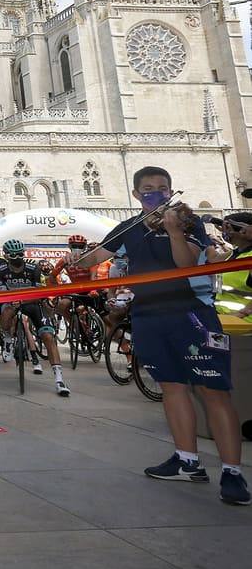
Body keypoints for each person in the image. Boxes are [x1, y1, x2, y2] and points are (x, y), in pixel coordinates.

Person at [77, 166, 248, 505]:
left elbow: (185, 264)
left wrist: (173, 232)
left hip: (192, 315)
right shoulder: (128, 228)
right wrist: (75, 259)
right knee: (172, 387)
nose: (157, 192)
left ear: (171, 190)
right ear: (137, 194)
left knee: (214, 391)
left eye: (162, 187)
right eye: (149, 188)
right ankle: (187, 460)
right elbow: (95, 257)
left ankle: (232, 471)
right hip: (149, 315)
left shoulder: (188, 222)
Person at [0, 239, 71, 397]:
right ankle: (7, 338)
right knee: (6, 312)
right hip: (10, 302)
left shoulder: (33, 268)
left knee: (48, 337)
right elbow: (2, 292)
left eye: (20, 254)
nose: (17, 257)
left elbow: (37, 294)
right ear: (7, 256)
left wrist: (23, 300)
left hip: (32, 303)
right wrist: (13, 300)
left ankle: (59, 379)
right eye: (13, 255)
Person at [214, 212, 252, 321]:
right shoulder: (233, 255)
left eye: (228, 228)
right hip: (225, 320)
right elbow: (211, 262)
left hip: (245, 324)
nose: (226, 232)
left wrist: (241, 314)